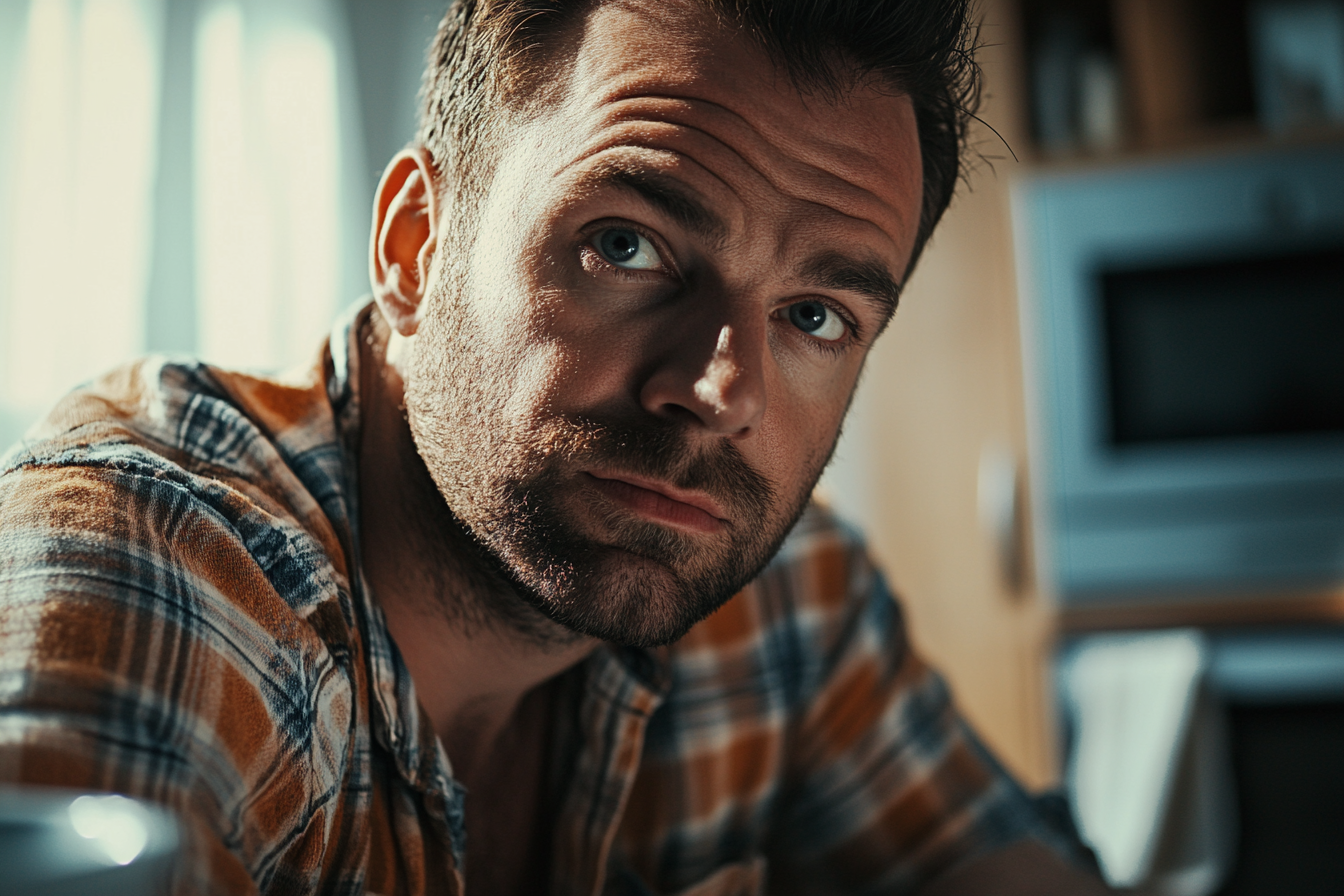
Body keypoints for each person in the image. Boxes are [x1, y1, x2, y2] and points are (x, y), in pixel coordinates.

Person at [0, 0, 1108, 893]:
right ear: (415, 245)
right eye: (626, 245)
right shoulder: (162, 572)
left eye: (816, 316)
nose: (721, 391)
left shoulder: (789, 602)